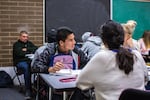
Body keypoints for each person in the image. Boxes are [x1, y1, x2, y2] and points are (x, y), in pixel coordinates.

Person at [76, 20, 148, 100]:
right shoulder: (136, 55)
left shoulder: (101, 57)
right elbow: (146, 79)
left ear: (103, 40)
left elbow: (81, 82)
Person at [13, 31, 38, 99]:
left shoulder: (29, 43)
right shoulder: (16, 44)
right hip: (20, 62)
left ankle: (38, 87)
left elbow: (36, 49)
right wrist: (28, 51)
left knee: (39, 65)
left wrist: (26, 49)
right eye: (24, 36)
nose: (25, 38)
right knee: (27, 67)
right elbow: (19, 53)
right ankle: (28, 89)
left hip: (29, 61)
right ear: (20, 37)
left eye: (27, 37)